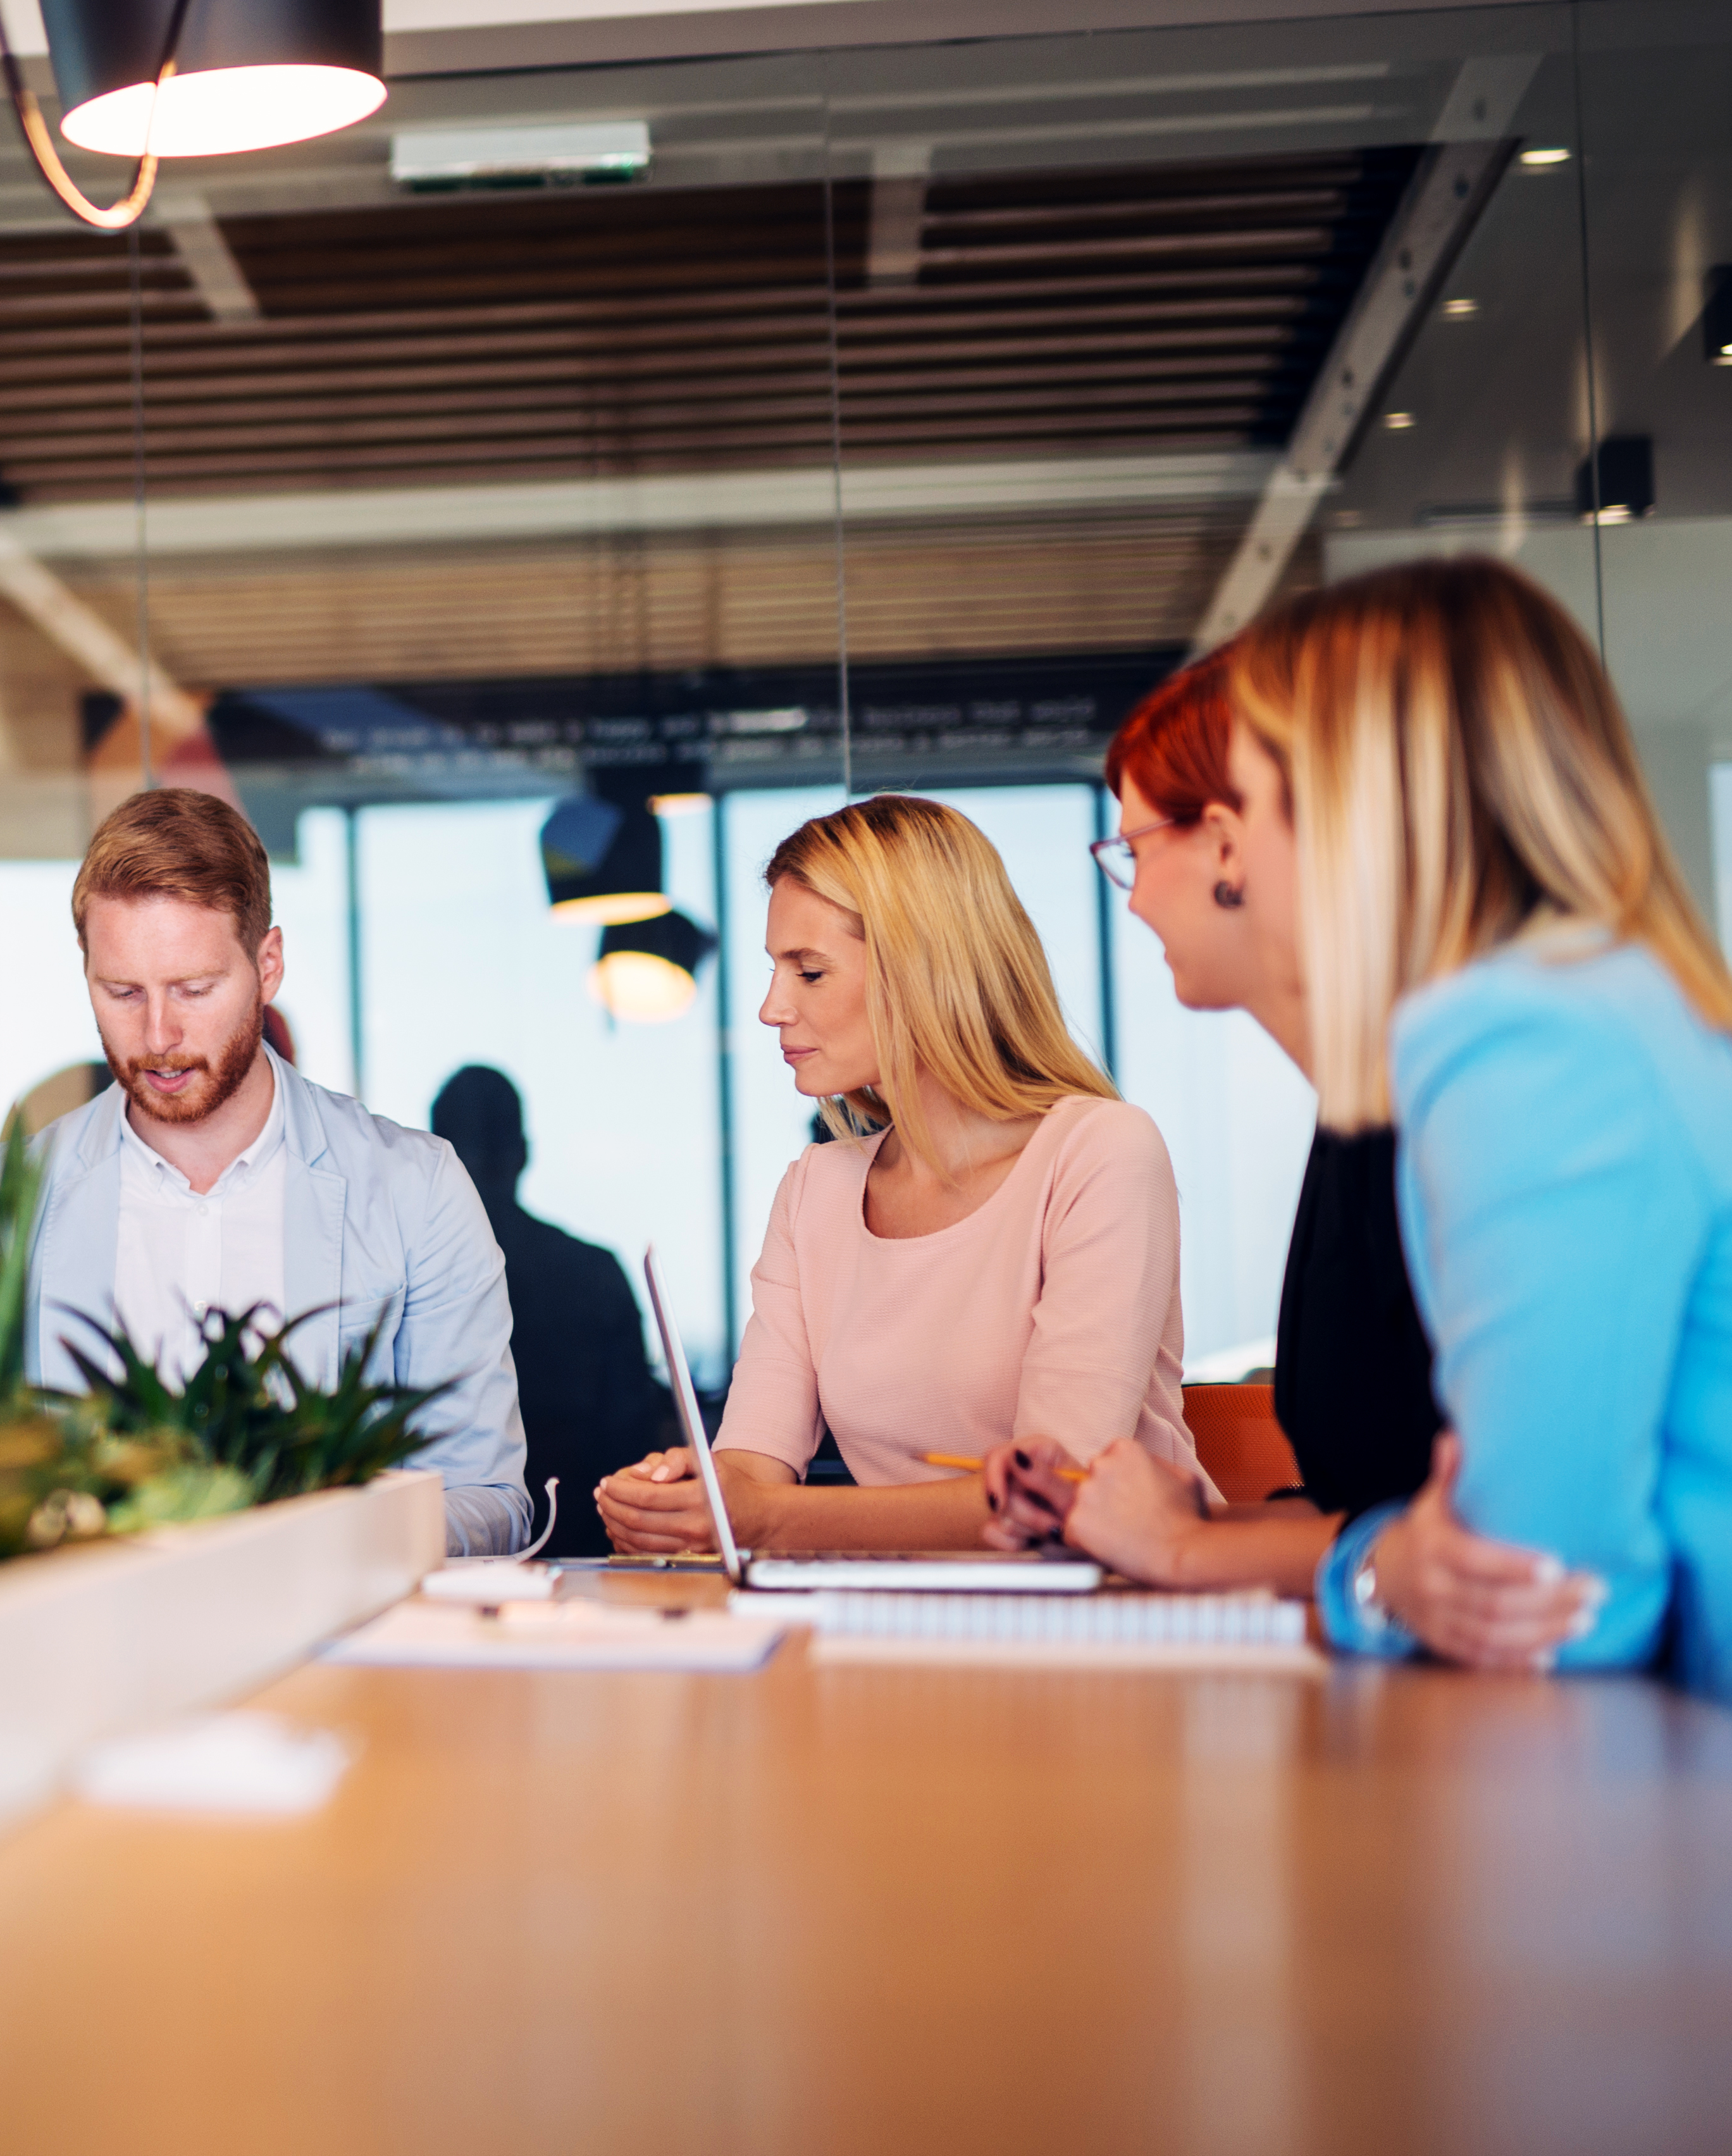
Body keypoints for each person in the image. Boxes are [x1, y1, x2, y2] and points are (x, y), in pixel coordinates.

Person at [1079, 561, 1728, 1690]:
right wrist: (1394, 1556)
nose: (1239, 841)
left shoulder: (1518, 1037)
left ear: (1345, 801)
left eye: (1259, 790)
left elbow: (1542, 1596)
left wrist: (1359, 1575)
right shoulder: (1602, 1004)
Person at [597, 794, 1203, 1554]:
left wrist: (764, 1518)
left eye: (809, 972)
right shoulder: (814, 1190)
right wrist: (704, 1498)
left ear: (925, 971)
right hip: (910, 1618)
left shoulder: (1102, 1152)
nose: (769, 1008)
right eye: (775, 970)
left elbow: (1054, 1499)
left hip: (1120, 1619)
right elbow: (753, 1460)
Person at [980, 659, 1439, 1597]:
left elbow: (1505, 1556)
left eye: (1136, 853)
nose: (1135, 899)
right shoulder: (1353, 1117)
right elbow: (1378, 1507)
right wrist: (1187, 1519)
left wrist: (1189, 1547)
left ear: (1227, 846)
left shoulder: (1448, 1108)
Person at [20, 789, 529, 1556]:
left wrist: (325, 1542)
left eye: (194, 989)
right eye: (122, 992)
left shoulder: (416, 1188)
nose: (159, 1035)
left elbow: (491, 1500)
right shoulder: (11, 1200)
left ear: (269, 965)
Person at [428, 1064, 668, 1556]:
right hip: (591, 1548)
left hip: (447, 1555)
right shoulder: (595, 1271)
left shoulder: (412, 1283)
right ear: (522, 1153)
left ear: (435, 1155)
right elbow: (634, 1445)